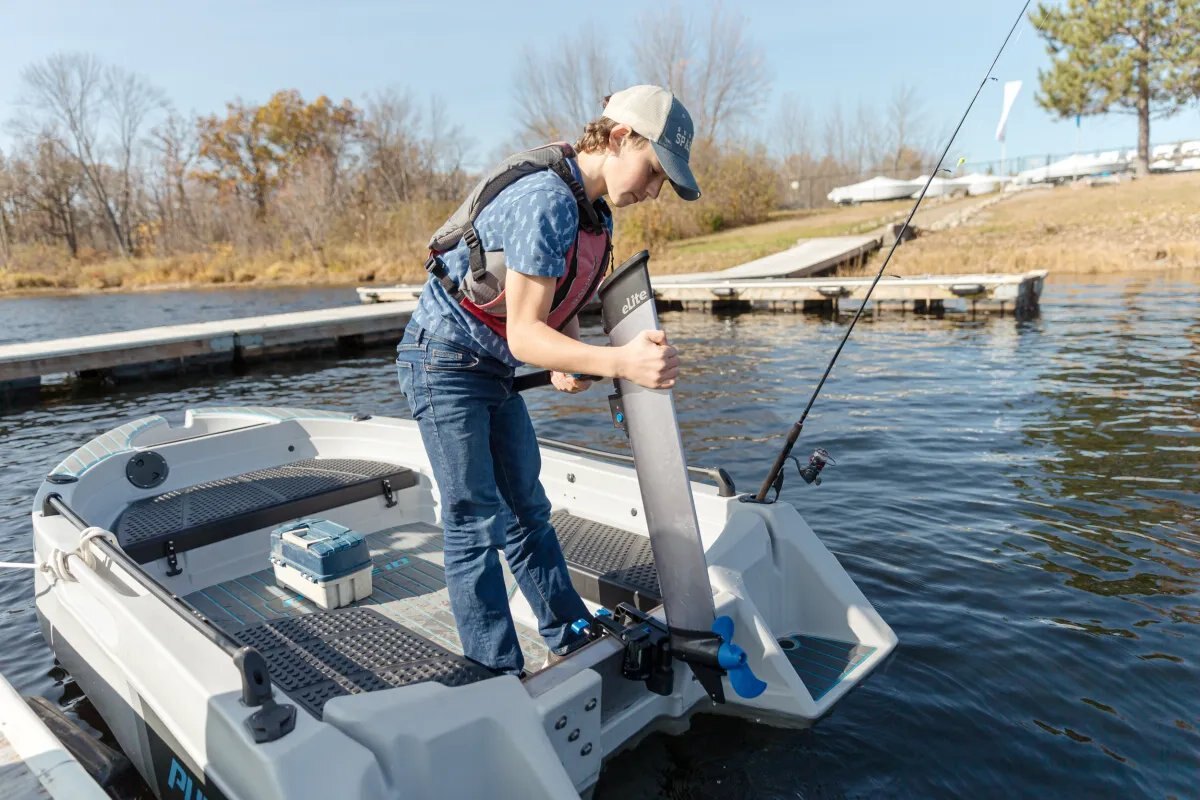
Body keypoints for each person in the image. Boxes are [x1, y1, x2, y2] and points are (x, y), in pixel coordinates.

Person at [395, 84, 702, 675]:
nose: (654, 189)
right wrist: (619, 362)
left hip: (493, 367)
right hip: (445, 360)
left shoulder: (595, 211)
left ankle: (572, 633)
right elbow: (524, 336)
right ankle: (495, 673)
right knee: (473, 518)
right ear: (618, 138)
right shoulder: (547, 199)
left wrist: (570, 355)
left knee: (527, 510)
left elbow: (546, 312)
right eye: (654, 170)